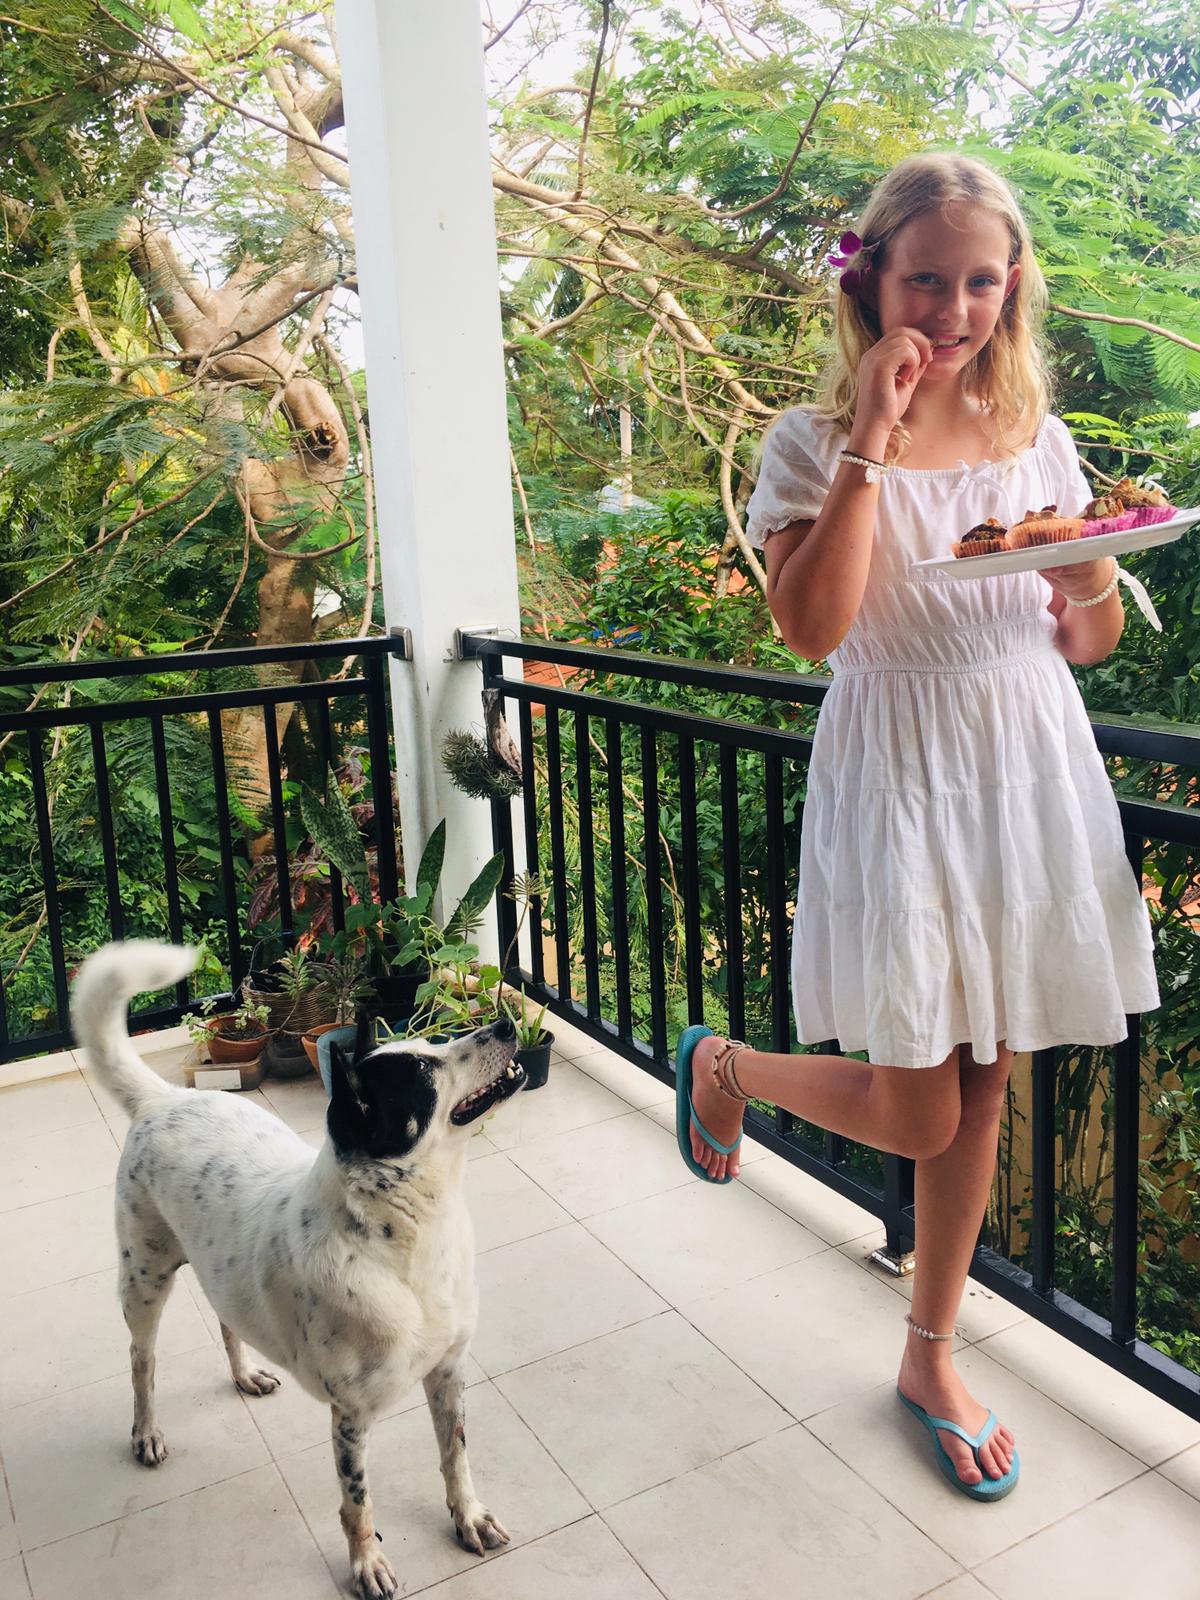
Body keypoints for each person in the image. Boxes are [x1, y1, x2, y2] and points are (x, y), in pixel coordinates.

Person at [673, 153, 1160, 1501]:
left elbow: (1090, 638)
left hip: (1025, 763)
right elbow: (813, 627)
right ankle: (730, 1071)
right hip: (899, 765)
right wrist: (874, 446)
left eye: (981, 282)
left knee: (987, 1076)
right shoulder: (805, 443)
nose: (954, 309)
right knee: (918, 1103)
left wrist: (1095, 578)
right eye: (927, 278)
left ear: (1014, 290)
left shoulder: (1037, 433)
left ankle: (930, 1352)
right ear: (872, 280)